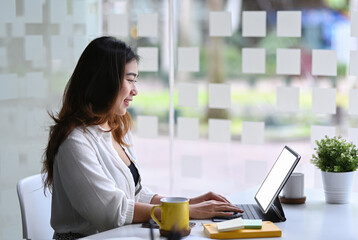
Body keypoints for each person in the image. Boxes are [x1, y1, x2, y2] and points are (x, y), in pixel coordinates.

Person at [42, 36, 243, 239]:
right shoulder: (75, 142)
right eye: (130, 80)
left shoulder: (114, 127)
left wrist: (188, 203)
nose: (135, 90)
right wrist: (186, 212)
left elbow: (134, 195)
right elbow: (110, 213)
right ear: (104, 81)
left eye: (135, 80)